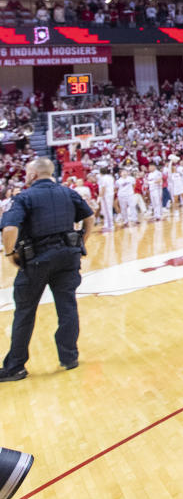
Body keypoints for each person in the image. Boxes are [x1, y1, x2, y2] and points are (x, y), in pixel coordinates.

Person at [0, 158, 94, 382]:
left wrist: (10, 253)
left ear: (33, 174)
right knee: (67, 307)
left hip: (37, 260)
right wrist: (82, 241)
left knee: (25, 312)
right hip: (68, 258)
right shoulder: (68, 193)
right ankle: (70, 357)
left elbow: (10, 228)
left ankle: (15, 367)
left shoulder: (23, 198)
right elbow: (89, 217)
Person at [96, 165, 115, 232]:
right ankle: (107, 224)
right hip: (111, 194)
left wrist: (99, 197)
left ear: (100, 172)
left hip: (106, 195)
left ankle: (110, 225)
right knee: (108, 210)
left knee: (106, 210)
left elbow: (103, 188)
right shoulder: (111, 177)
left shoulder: (102, 178)